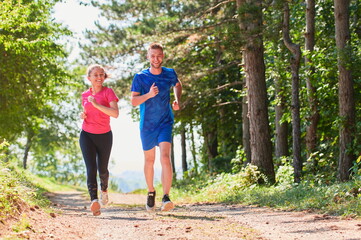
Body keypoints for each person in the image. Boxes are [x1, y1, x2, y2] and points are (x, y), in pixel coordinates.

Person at [131, 42, 182, 212]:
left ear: (163, 56)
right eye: (152, 56)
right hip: (147, 125)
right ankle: (151, 191)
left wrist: (177, 100)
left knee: (165, 157)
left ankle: (166, 197)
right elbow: (133, 102)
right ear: (148, 57)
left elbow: (177, 84)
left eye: (159, 55)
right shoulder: (140, 77)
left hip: (165, 122)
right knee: (150, 160)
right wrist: (149, 94)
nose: (156, 59)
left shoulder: (169, 73)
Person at [79, 64, 119, 216]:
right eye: (95, 75)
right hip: (86, 134)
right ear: (89, 78)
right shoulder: (85, 95)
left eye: (101, 74)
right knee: (91, 168)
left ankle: (104, 189)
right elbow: (86, 112)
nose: (99, 77)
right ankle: (94, 201)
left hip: (104, 135)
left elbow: (115, 113)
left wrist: (96, 104)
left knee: (102, 170)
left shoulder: (108, 92)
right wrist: (82, 115)